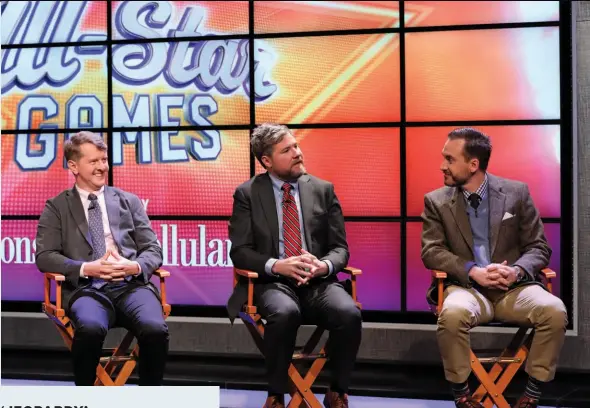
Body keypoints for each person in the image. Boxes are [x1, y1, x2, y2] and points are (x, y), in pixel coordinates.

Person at [420, 127, 568, 408]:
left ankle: (533, 394)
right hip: (468, 288)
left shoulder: (516, 193)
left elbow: (539, 247)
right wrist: (473, 270)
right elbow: (431, 251)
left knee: (555, 311)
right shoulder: (436, 201)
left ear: (473, 164)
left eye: (450, 159)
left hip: (513, 289)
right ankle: (462, 397)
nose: (442, 165)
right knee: (451, 315)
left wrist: (517, 271)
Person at [227, 123, 362, 408]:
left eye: (297, 146)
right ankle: (276, 395)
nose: (298, 153)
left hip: (318, 281)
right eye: (287, 150)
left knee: (349, 313)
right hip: (272, 283)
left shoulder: (324, 190)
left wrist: (324, 265)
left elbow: (341, 249)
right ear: (267, 160)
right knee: (284, 313)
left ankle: (337, 391)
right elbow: (240, 252)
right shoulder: (248, 194)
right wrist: (278, 265)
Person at [35, 131, 169, 386]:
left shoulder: (129, 201)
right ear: (73, 166)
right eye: (93, 161)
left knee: (155, 329)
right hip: (86, 290)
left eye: (104, 160)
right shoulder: (56, 206)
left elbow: (153, 249)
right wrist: (88, 268)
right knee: (90, 329)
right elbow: (45, 257)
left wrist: (135, 265)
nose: (102, 167)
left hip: (131, 286)